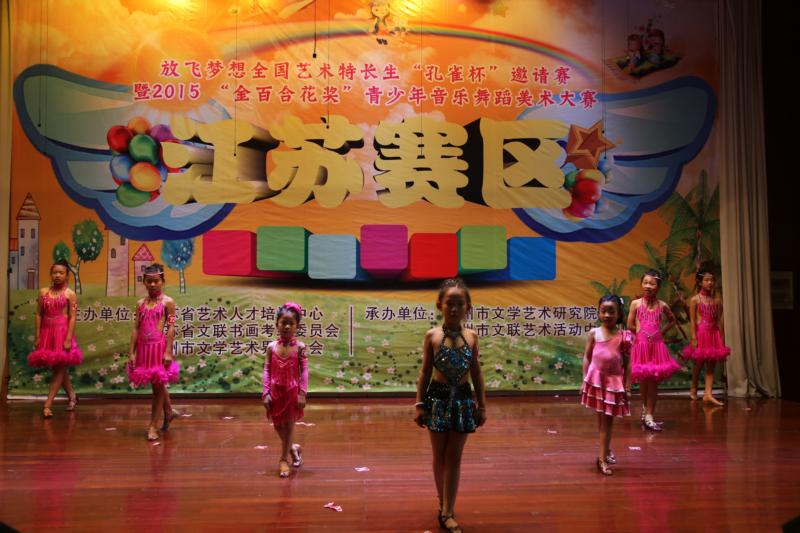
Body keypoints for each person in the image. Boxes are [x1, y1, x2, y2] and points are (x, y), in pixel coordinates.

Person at [414, 278, 486, 533]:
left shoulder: (472, 336)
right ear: (440, 305)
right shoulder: (432, 336)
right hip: (437, 398)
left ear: (468, 307)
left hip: (464, 400)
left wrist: (482, 405)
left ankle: (448, 511)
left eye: (460, 304)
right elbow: (425, 372)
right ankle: (442, 503)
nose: (454, 309)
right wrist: (419, 404)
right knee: (440, 455)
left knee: (454, 456)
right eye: (449, 303)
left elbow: (476, 373)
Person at [127, 263, 180, 441]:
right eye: (149, 281)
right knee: (157, 384)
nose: (152, 284)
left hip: (158, 348)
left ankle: (152, 426)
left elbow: (171, 327)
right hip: (143, 348)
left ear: (162, 281)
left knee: (157, 387)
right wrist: (132, 352)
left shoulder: (168, 302)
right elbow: (136, 328)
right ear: (144, 282)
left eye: (156, 281)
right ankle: (169, 411)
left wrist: (168, 351)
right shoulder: (140, 304)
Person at [581, 294, 632, 475]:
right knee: (601, 420)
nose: (607, 315)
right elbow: (587, 357)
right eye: (603, 311)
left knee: (607, 422)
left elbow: (628, 364)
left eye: (612, 311)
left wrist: (627, 386)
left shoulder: (624, 336)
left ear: (619, 314)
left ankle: (602, 457)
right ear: (598, 312)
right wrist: (584, 380)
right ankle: (605, 452)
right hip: (596, 381)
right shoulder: (594, 333)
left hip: (613, 383)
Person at [28, 260, 82, 418]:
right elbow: (39, 314)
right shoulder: (43, 292)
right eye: (55, 272)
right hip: (46, 333)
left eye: (61, 273)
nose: (57, 275)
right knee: (58, 368)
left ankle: (47, 404)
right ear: (51, 274)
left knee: (59, 368)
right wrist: (38, 335)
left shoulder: (70, 294)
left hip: (62, 333)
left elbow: (72, 317)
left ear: (67, 275)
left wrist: (68, 338)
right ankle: (72, 396)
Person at [627, 270, 680, 431]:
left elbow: (672, 320)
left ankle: (650, 415)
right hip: (641, 346)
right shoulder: (636, 304)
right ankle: (645, 410)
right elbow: (629, 324)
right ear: (641, 284)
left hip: (657, 347)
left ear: (658, 286)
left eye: (652, 283)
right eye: (645, 283)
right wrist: (639, 332)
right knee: (644, 382)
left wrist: (660, 332)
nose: (648, 286)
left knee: (653, 383)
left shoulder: (662, 305)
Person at [263, 302, 308, 478]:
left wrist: (302, 393)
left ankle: (283, 459)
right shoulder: (271, 347)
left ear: (297, 326)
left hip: (291, 392)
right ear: (277, 324)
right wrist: (265, 392)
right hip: (275, 392)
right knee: (277, 424)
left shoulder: (301, 348)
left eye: (291, 323)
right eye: (284, 322)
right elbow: (266, 369)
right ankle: (293, 448)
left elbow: (304, 371)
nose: (287, 326)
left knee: (289, 426)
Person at [683, 270, 729, 405]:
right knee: (699, 363)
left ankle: (708, 393)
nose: (710, 283)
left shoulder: (717, 301)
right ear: (700, 282)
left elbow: (719, 320)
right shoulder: (695, 300)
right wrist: (693, 336)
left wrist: (721, 337)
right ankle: (694, 387)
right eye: (707, 280)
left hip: (714, 334)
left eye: (712, 280)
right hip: (701, 333)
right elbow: (692, 320)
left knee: (711, 364)